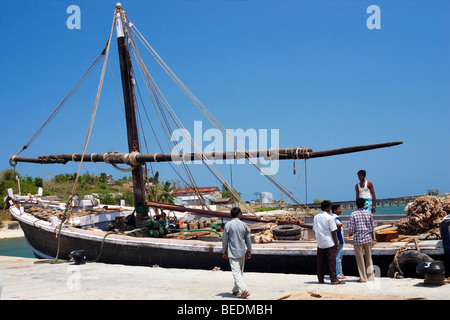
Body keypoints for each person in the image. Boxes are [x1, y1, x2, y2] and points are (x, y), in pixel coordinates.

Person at [222, 207, 252, 298]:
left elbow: (225, 240)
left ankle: (244, 290)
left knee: (236, 273)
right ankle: (235, 290)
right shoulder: (244, 225)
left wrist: (224, 251)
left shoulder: (228, 225)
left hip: (232, 252)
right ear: (239, 214)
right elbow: (248, 240)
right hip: (242, 252)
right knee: (239, 273)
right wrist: (249, 250)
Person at [313, 200, 344, 285]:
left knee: (320, 262)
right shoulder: (329, 217)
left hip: (320, 242)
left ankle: (320, 279)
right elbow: (333, 232)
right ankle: (334, 280)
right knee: (331, 262)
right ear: (327, 208)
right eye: (329, 207)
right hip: (329, 242)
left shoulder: (316, 217)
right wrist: (336, 245)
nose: (330, 209)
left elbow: (314, 229)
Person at [348, 198, 375, 282]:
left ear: (356, 204)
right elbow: (372, 227)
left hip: (358, 239)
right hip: (367, 238)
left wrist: (350, 233)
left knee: (360, 259)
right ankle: (370, 276)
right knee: (369, 258)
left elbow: (351, 228)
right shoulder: (368, 213)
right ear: (364, 205)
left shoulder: (353, 214)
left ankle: (363, 278)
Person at [331, 203, 346, 280]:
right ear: (335, 210)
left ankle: (336, 273)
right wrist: (337, 229)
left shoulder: (331, 217)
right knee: (338, 258)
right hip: (339, 240)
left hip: (333, 240)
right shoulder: (336, 218)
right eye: (339, 209)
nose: (341, 210)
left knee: (335, 257)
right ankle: (339, 274)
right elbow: (339, 225)